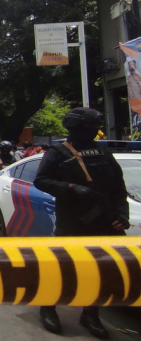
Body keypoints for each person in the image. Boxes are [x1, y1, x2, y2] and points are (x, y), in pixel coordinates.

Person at [33, 107, 129, 339]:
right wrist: (71, 188)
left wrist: (121, 215)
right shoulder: (57, 152)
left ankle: (90, 314)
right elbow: (41, 180)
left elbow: (119, 187)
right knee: (63, 267)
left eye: (94, 128)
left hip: (105, 222)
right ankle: (48, 307)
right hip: (73, 219)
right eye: (88, 128)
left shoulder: (103, 153)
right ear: (75, 129)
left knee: (99, 270)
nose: (93, 132)